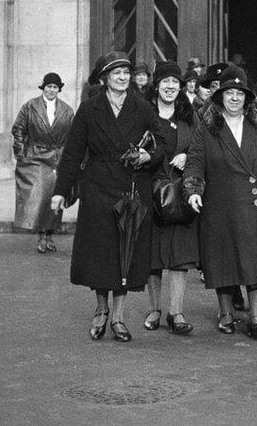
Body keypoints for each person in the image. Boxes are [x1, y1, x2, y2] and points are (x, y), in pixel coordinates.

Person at [51, 52, 167, 343]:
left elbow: (162, 141)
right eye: (116, 73)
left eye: (126, 72)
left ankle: (118, 316)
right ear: (104, 78)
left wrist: (148, 155)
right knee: (100, 253)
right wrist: (60, 192)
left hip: (131, 188)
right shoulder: (89, 110)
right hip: (97, 188)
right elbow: (73, 153)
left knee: (124, 253)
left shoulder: (142, 108)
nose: (123, 77)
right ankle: (101, 308)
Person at [183, 65, 257, 339]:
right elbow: (195, 159)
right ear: (219, 96)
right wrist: (194, 189)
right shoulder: (208, 127)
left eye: (239, 93)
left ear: (248, 97)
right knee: (225, 260)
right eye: (228, 93)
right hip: (221, 203)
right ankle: (225, 313)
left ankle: (256, 316)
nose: (234, 98)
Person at [144, 61, 200, 336]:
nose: (169, 87)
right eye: (165, 82)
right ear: (156, 85)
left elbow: (201, 148)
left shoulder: (189, 116)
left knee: (180, 256)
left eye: (175, 83)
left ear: (181, 88)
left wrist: (188, 156)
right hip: (151, 192)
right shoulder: (144, 113)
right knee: (153, 255)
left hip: (180, 194)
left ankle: (175, 312)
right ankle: (154, 309)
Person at [12, 72, 74, 253]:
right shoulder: (30, 106)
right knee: (39, 198)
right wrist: (21, 153)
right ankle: (41, 236)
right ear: (43, 88)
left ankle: (50, 235)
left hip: (57, 159)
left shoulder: (67, 110)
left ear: (59, 90)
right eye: (48, 87)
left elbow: (73, 136)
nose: (51, 90)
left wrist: (70, 159)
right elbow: (18, 129)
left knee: (54, 199)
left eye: (55, 87)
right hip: (36, 157)